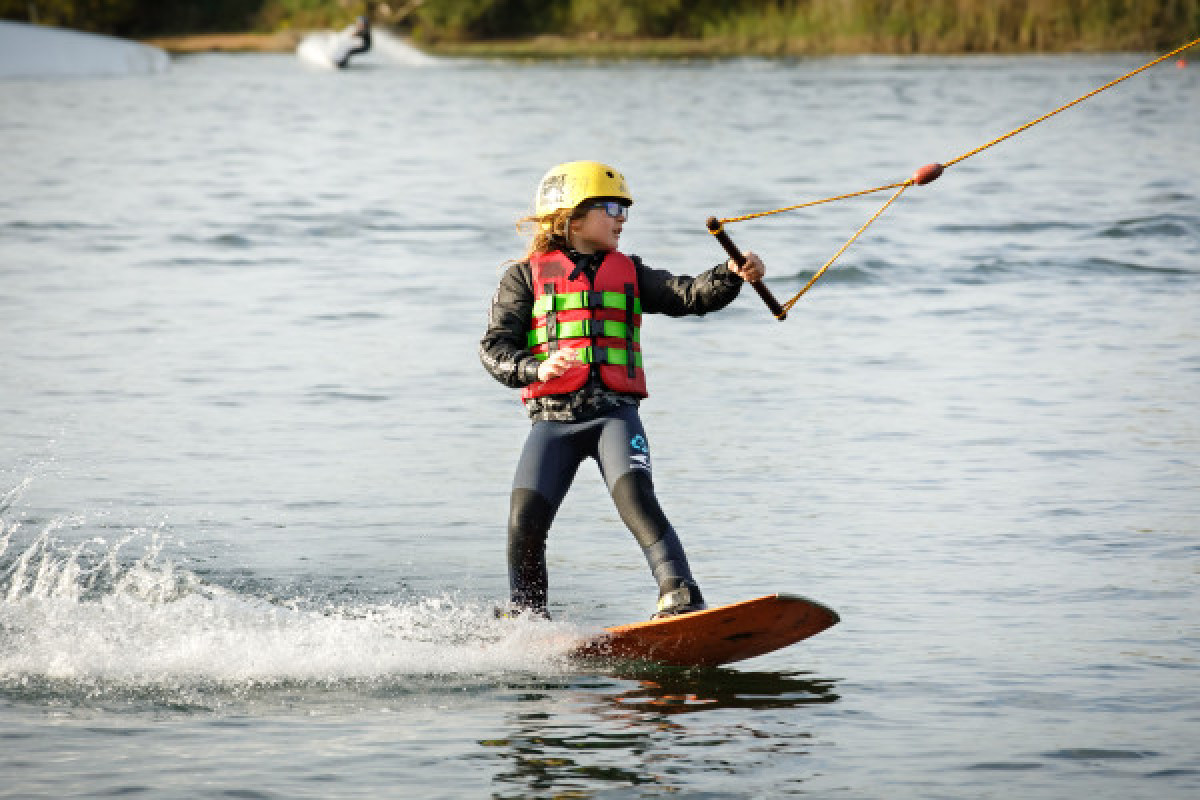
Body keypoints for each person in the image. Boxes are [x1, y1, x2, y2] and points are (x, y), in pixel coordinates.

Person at [480, 160, 766, 619]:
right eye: (611, 207)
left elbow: (687, 294)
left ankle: (680, 594)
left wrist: (730, 273)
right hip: (552, 422)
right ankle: (527, 618)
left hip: (614, 414)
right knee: (524, 521)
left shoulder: (629, 272)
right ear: (571, 217)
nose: (622, 217)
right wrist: (537, 368)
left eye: (625, 208)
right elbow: (494, 349)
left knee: (637, 498)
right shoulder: (525, 277)